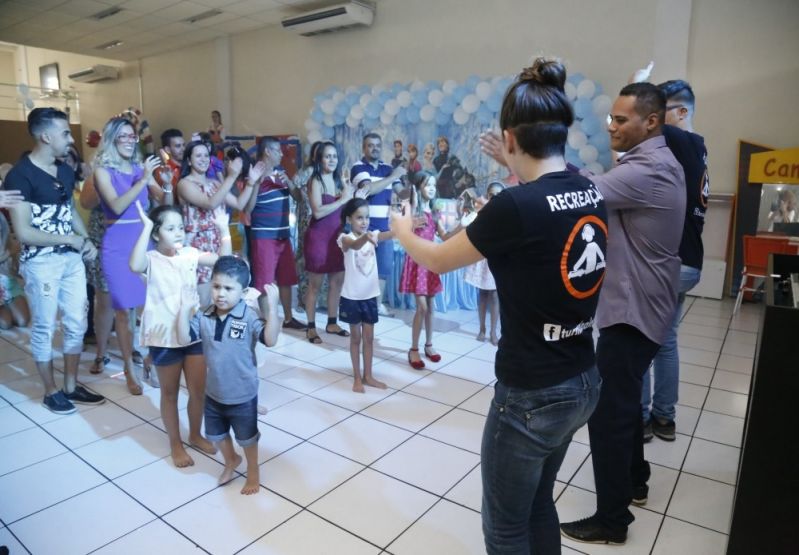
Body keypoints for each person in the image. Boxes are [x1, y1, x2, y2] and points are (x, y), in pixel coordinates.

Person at [391, 58, 606, 553]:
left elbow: (440, 261)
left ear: (509, 138)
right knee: (538, 505)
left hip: (531, 393)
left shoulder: (513, 207)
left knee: (506, 527)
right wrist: (510, 164)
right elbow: (545, 195)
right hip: (583, 378)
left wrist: (404, 233)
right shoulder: (590, 187)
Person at [555, 83, 686, 544]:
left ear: (651, 122)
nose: (610, 126)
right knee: (625, 401)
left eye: (620, 120)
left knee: (607, 413)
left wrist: (531, 165)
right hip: (643, 306)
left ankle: (612, 520)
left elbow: (580, 195)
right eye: (610, 118)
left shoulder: (647, 168)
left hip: (632, 313)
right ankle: (635, 480)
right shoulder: (653, 161)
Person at [6, 107, 105, 414]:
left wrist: (84, 238)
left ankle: (71, 386)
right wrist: (70, 239)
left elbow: (70, 212)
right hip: (41, 263)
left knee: (76, 323)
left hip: (70, 260)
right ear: (45, 136)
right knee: (45, 327)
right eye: (64, 133)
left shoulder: (63, 169)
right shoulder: (19, 175)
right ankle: (51, 391)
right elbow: (23, 232)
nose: (69, 139)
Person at [130, 202, 230, 467]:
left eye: (180, 228)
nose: (178, 233)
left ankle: (195, 434)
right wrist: (147, 227)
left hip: (193, 331)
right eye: (170, 228)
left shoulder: (189, 253)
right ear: (156, 234)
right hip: (163, 336)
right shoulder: (151, 259)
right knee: (170, 393)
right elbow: (134, 264)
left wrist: (224, 231)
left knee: (199, 391)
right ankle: (175, 444)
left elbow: (225, 263)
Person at [639, 76, 710, 443]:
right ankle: (664, 419)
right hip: (689, 262)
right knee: (666, 341)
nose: (653, 118)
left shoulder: (680, 140)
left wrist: (637, 86)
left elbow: (636, 134)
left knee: (641, 341)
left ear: (681, 112)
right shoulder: (698, 148)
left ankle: (644, 418)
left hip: (669, 263)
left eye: (659, 110)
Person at [177, 257, 281, 494]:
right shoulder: (204, 316)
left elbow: (271, 339)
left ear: (243, 292)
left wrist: (273, 308)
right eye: (216, 287)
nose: (220, 294)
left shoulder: (248, 316)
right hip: (213, 392)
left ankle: (253, 472)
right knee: (217, 435)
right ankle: (231, 460)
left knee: (248, 439)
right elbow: (183, 339)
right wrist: (184, 310)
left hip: (243, 393)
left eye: (228, 288)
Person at [93, 117, 168, 395]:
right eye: (122, 136)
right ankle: (129, 368)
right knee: (123, 311)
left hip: (144, 241)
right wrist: (144, 180)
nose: (128, 141)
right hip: (116, 243)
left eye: (131, 136)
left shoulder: (140, 168)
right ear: (111, 139)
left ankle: (150, 359)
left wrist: (166, 185)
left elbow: (163, 201)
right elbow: (115, 205)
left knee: (153, 308)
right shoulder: (102, 171)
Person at [177, 141, 264, 305]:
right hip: (197, 245)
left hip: (218, 242)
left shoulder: (215, 183)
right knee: (202, 300)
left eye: (206, 155)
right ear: (189, 160)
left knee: (219, 295)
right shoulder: (184, 184)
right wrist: (230, 177)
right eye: (198, 155)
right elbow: (210, 203)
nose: (203, 159)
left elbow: (239, 204)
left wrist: (251, 182)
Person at [245, 137, 306, 329]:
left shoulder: (281, 173)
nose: (282, 154)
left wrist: (288, 182)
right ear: (268, 152)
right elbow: (248, 207)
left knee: (286, 278)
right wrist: (255, 183)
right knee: (265, 281)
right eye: (278, 151)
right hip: (263, 237)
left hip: (283, 235)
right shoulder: (255, 175)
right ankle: (266, 322)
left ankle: (288, 319)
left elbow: (299, 198)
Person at [349, 133, 407, 317]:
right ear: (363, 148)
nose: (375, 148)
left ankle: (377, 305)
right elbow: (370, 189)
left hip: (385, 229)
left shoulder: (388, 168)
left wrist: (416, 184)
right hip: (363, 229)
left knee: (383, 269)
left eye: (377, 145)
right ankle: (359, 305)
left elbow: (402, 193)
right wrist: (394, 175)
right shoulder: (358, 167)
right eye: (370, 145)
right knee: (362, 269)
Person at [338, 198, 391, 393]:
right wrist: (367, 237)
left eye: (367, 217)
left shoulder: (372, 235)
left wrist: (407, 226)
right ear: (349, 219)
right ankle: (357, 377)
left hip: (369, 296)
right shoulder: (344, 238)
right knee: (355, 338)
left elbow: (389, 234)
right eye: (359, 218)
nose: (364, 221)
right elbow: (354, 245)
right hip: (352, 297)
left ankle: (369, 375)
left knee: (369, 338)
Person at [400, 171, 451, 369]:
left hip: (430, 261)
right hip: (416, 261)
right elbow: (401, 229)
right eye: (427, 184)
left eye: (433, 185)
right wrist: (410, 222)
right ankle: (413, 349)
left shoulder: (435, 213)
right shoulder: (413, 210)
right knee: (421, 307)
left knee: (431, 307)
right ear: (419, 187)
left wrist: (464, 226)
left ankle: (429, 344)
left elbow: (445, 237)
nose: (431, 188)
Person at [303, 142, 353, 344]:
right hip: (318, 238)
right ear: (319, 159)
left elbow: (346, 210)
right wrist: (342, 200)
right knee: (315, 286)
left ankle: (332, 322)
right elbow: (318, 211)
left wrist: (351, 196)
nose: (332, 160)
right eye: (327, 156)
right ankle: (311, 327)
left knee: (337, 283)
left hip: (337, 238)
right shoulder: (315, 180)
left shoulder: (339, 181)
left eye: (334, 156)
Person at [463, 182, 504, 345]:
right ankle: (482, 329)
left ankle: (494, 332)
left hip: (497, 258)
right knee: (482, 294)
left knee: (495, 295)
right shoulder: (480, 211)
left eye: (497, 195)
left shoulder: (506, 213)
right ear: (487, 195)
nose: (493, 198)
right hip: (482, 257)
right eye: (491, 194)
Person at [293, 141, 324, 317]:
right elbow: (298, 195)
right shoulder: (307, 173)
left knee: (322, 259)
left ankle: (320, 299)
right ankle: (305, 299)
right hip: (308, 221)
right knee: (306, 259)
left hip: (324, 222)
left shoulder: (330, 175)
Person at [0, 213, 29, 329]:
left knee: (23, 321)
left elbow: (17, 272)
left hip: (9, 285)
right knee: (5, 323)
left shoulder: (8, 241)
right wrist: (9, 253)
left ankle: (8, 305)